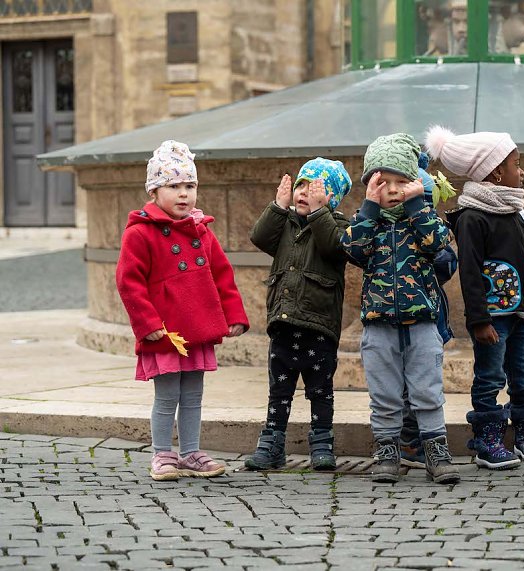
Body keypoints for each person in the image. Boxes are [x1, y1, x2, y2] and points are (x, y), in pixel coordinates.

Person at [115, 140, 249, 482]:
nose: (183, 194)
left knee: (192, 395)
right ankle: (162, 454)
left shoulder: (201, 230)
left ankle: (190, 453)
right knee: (167, 395)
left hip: (198, 329)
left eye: (189, 186)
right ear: (155, 190)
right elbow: (130, 283)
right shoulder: (140, 233)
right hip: (166, 332)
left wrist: (233, 315)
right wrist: (147, 324)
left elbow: (222, 275)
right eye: (173, 186)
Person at [425, 125, 524, 471]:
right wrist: (478, 320)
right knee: (490, 375)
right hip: (492, 318)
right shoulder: (472, 217)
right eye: (515, 163)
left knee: (523, 373)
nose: (521, 170)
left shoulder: (515, 209)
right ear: (496, 172)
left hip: (521, 313)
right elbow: (470, 272)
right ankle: (488, 437)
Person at [341, 133, 460, 485]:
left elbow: (438, 243)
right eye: (383, 181)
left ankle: (435, 449)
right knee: (385, 392)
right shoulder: (368, 222)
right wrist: (369, 207)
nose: (392, 189)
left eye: (400, 181)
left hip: (422, 321)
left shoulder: (421, 219)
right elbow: (352, 248)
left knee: (427, 388)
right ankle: (387, 449)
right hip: (379, 325)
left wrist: (417, 204)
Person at [245, 158, 352, 472]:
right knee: (279, 389)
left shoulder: (339, 225)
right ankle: (272, 442)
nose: (304, 192)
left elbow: (334, 248)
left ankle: (321, 443)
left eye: (315, 188)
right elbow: (259, 237)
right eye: (301, 185)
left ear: (331, 197)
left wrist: (320, 213)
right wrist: (278, 207)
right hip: (284, 324)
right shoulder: (285, 225)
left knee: (320, 390)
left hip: (319, 328)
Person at [400, 152, 459, 469]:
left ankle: (426, 441)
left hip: (428, 321)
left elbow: (447, 266)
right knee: (404, 388)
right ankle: (409, 442)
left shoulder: (433, 229)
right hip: (396, 323)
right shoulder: (390, 230)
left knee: (426, 385)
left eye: (425, 201)